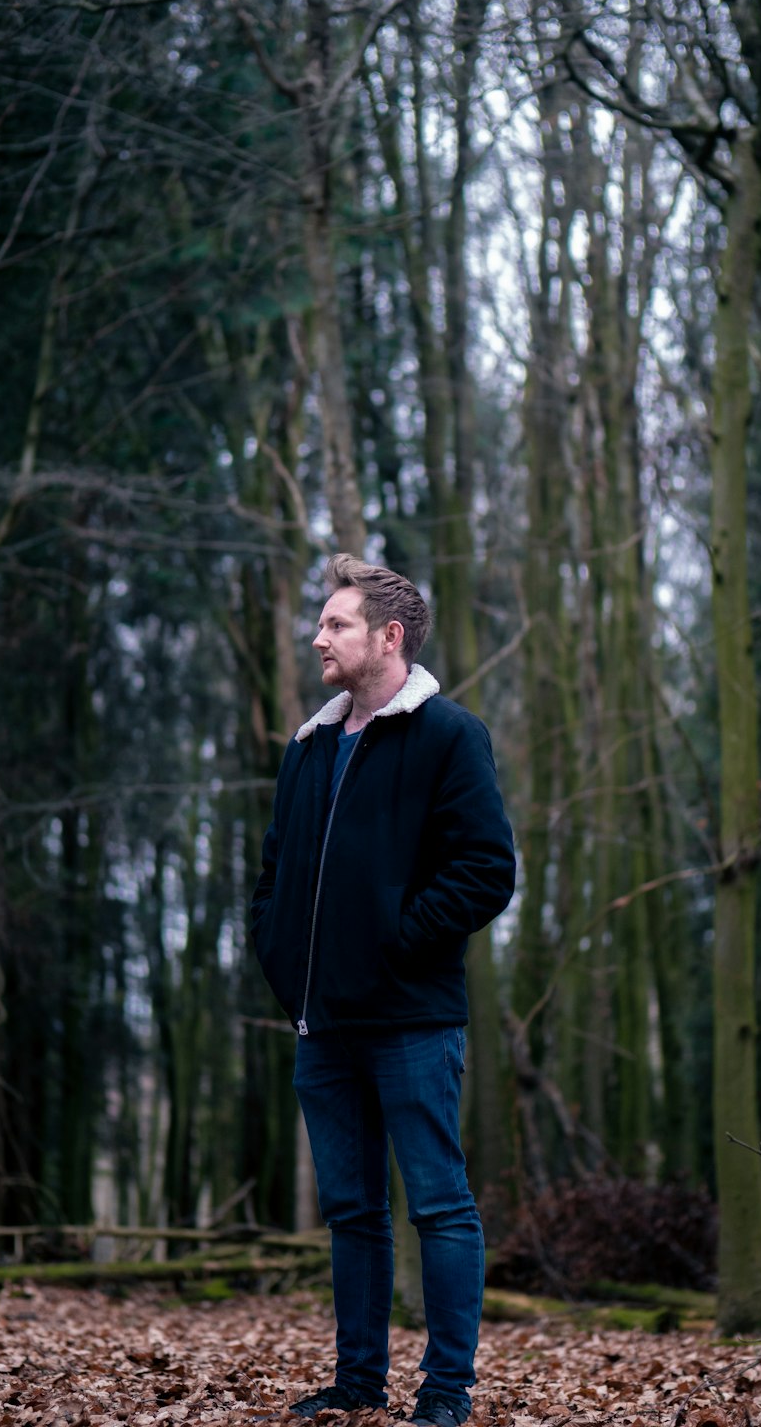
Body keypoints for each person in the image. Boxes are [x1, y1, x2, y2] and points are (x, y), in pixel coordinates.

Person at [250, 554, 516, 1425]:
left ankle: (446, 1393)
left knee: (438, 1206)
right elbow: (275, 873)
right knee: (353, 1214)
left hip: (411, 1020)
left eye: (337, 624)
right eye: (321, 624)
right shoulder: (309, 748)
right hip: (321, 1027)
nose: (318, 636)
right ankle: (358, 1382)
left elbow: (485, 871)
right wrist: (284, 959)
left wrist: (395, 943)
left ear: (388, 637)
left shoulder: (448, 735)